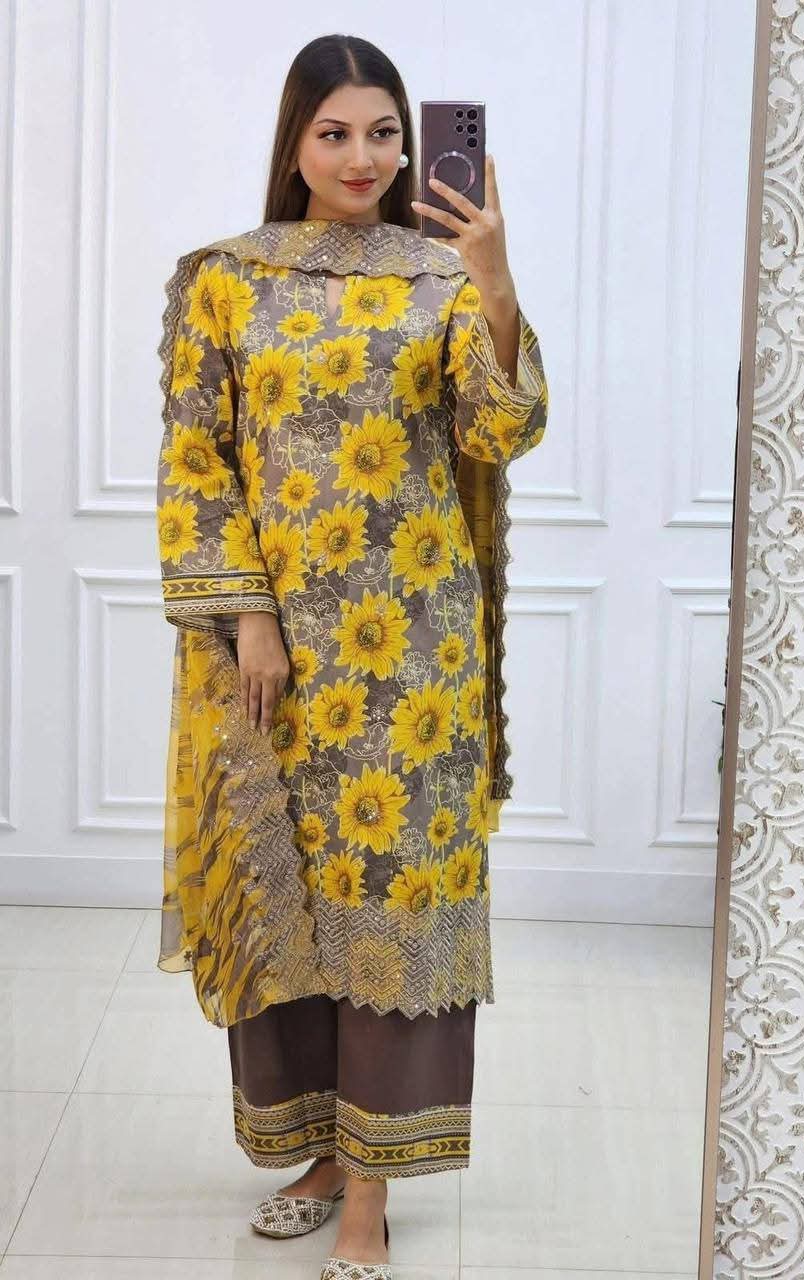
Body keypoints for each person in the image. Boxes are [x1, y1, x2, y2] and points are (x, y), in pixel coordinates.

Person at [155, 32, 548, 1280]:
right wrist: (251, 616)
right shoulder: (225, 281)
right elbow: (199, 461)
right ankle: (322, 1155)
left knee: (390, 909)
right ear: (294, 144)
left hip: (414, 662)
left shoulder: (442, 277)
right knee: (292, 910)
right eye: (335, 133)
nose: (364, 157)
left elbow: (501, 429)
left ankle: (368, 1201)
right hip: (268, 658)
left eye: (385, 132)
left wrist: (494, 281)